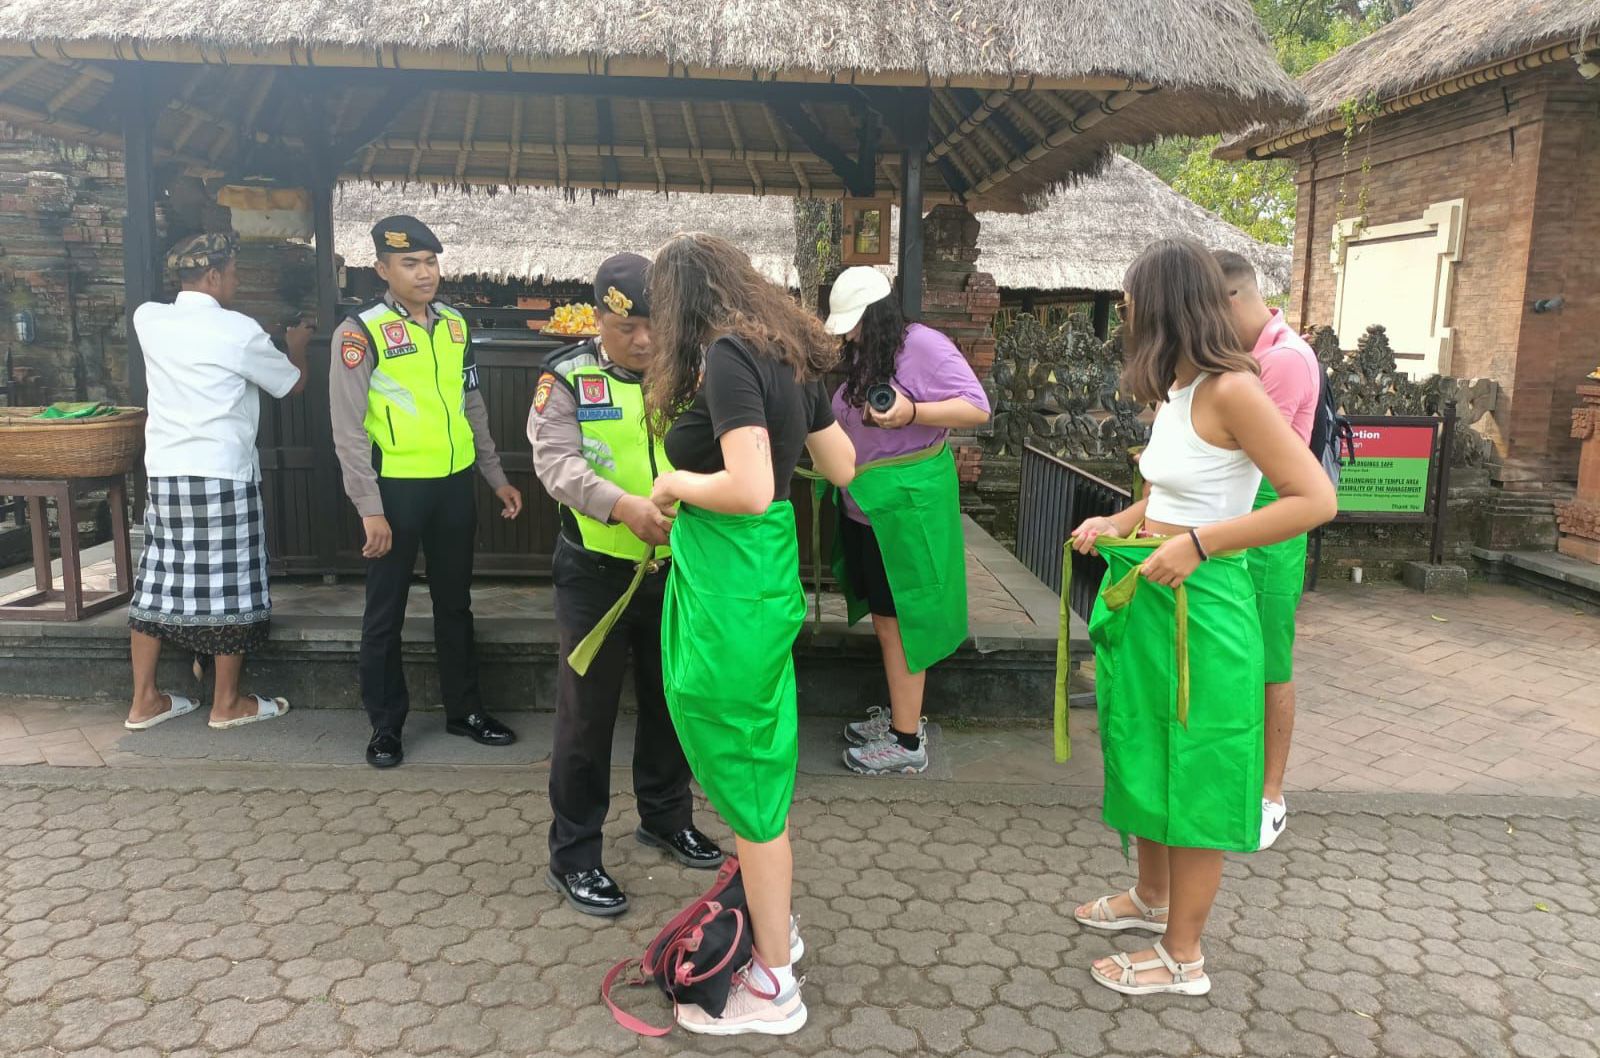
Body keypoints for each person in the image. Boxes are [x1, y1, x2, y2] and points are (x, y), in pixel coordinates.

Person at [1068, 238, 1334, 997]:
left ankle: (1183, 956)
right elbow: (1175, 491)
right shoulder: (1179, 391)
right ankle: (1151, 898)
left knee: (1197, 765)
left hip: (1204, 606)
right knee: (1145, 746)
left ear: (1163, 307)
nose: (1124, 316)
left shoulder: (1233, 390)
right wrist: (1123, 520)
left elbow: (1314, 499)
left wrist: (1199, 544)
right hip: (1155, 599)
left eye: (1130, 304)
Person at [644, 233, 856, 1035]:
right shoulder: (785, 356)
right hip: (762, 585)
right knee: (757, 767)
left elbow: (752, 486)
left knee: (751, 785)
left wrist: (673, 480)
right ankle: (777, 929)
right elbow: (841, 466)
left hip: (733, 591)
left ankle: (773, 988)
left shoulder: (729, 355)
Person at [528, 253, 724, 917]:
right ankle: (574, 855)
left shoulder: (694, 375)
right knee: (586, 718)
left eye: (654, 326)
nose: (642, 341)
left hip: (676, 571)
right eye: (626, 327)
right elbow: (556, 464)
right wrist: (622, 507)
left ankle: (666, 817)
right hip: (596, 575)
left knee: (672, 701)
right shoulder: (566, 378)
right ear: (598, 319)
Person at [329, 215, 523, 769]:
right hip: (394, 492)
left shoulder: (455, 325)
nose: (424, 273)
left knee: (455, 603)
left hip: (454, 486)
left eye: (431, 262)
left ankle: (466, 711)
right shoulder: (359, 332)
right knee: (384, 611)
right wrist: (369, 508)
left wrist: (495, 476)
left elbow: (471, 404)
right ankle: (385, 726)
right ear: (382, 269)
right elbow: (347, 429)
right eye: (410, 263)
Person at [125, 232, 312, 732]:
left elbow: (198, 342)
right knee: (232, 584)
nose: (237, 281)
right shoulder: (239, 331)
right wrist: (296, 348)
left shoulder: (148, 319)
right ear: (212, 275)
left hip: (166, 472)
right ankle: (226, 704)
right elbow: (293, 385)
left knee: (159, 578)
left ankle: (144, 701)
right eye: (232, 273)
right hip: (222, 472)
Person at [820, 267, 991, 775]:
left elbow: (977, 408)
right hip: (869, 506)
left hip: (904, 510)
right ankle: (902, 716)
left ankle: (907, 739)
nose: (849, 334)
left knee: (902, 621)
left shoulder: (923, 346)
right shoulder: (865, 350)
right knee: (886, 619)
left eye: (854, 323)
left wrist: (913, 412)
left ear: (877, 315)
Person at [1215, 250, 1322, 850]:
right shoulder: (1248, 357)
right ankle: (1236, 778)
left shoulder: (1283, 360)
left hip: (1270, 521)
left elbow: (1247, 455)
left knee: (1271, 663)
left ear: (1231, 299)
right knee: (1236, 658)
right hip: (1238, 517)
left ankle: (1270, 794)